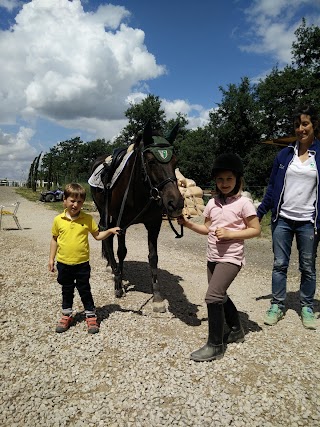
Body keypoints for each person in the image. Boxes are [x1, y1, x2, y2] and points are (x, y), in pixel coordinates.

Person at [178, 154, 260, 362]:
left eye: (229, 179)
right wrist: (187, 224)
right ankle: (236, 330)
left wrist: (232, 234)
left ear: (238, 180)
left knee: (212, 297)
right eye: (220, 179)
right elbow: (207, 228)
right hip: (212, 257)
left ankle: (215, 345)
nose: (224, 183)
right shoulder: (212, 203)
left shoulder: (244, 204)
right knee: (220, 295)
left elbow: (256, 230)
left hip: (231, 259)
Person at [257, 105, 320, 330]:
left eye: (305, 124)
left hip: (308, 222)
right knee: (280, 264)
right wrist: (259, 212)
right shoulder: (284, 155)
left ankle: (307, 307)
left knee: (308, 266)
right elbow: (273, 187)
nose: (301, 129)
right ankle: (277, 304)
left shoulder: (319, 155)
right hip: (282, 219)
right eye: (297, 125)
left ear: (314, 125)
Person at [48, 183, 120, 334]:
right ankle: (66, 314)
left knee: (84, 289)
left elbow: (98, 236)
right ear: (64, 200)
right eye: (72, 201)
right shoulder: (58, 220)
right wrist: (51, 259)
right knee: (66, 290)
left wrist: (110, 231)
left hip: (82, 265)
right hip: (63, 263)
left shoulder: (87, 219)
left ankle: (90, 315)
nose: (75, 204)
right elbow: (54, 239)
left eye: (79, 201)